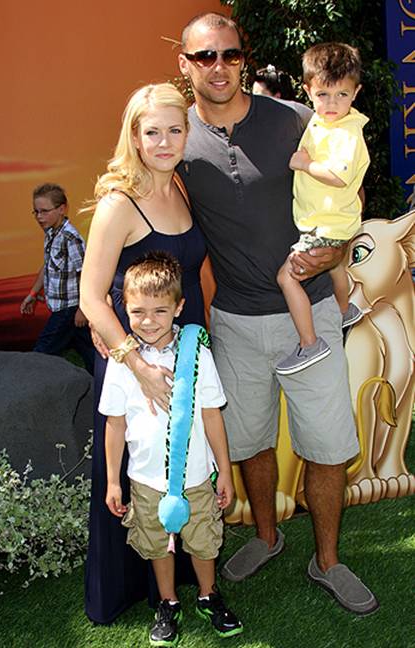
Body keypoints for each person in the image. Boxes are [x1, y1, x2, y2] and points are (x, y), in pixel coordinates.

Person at [177, 12, 379, 615]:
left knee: (328, 446)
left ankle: (328, 560)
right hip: (235, 321)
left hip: (309, 314)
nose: (219, 66)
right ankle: (267, 536)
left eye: (230, 54)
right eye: (205, 56)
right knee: (250, 442)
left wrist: (336, 253)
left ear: (244, 59)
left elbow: (351, 192)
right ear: (185, 65)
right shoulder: (175, 137)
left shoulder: (295, 118)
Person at [80, 83, 207, 624]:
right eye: (152, 132)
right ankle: (129, 586)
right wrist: (136, 364)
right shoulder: (119, 203)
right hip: (135, 357)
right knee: (137, 467)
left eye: (175, 130)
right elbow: (91, 296)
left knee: (184, 457)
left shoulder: (180, 185)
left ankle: (185, 576)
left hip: (185, 345)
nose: (164, 141)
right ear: (134, 136)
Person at [99, 251, 243, 646]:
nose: (148, 321)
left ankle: (208, 595)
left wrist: (225, 470)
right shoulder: (122, 362)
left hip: (196, 477)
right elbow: (115, 424)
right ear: (124, 310)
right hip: (145, 480)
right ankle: (167, 602)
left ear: (179, 307)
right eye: (138, 312)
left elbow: (212, 415)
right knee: (157, 542)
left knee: (203, 540)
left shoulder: (197, 354)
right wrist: (113, 481)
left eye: (160, 311)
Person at [276, 43, 369, 375]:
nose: (332, 104)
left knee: (286, 277)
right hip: (331, 221)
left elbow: (339, 175)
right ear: (308, 91)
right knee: (336, 267)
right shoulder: (324, 121)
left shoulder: (347, 134)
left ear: (355, 92)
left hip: (327, 225)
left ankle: (309, 342)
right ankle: (345, 311)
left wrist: (305, 164)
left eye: (342, 95)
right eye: (323, 95)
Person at [20, 183, 94, 374]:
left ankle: (30, 382)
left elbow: (86, 273)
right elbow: (47, 266)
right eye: (36, 212)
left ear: (62, 209)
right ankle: (101, 380)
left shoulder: (71, 238)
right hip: (62, 308)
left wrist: (83, 309)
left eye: (44, 211)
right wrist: (33, 293)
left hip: (69, 309)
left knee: (41, 352)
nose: (39, 217)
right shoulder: (51, 233)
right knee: (90, 352)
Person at [252, 64, 313, 128]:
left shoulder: (300, 113)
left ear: (277, 97)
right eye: (253, 96)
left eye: (259, 97)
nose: (254, 101)